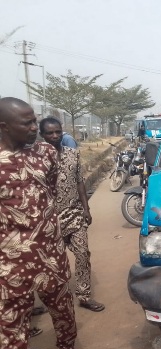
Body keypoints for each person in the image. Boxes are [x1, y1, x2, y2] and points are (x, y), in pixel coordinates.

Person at [0, 97, 77, 349]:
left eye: (35, 121)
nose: (35, 127)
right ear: (4, 126)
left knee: (64, 314)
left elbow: (50, 187)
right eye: (27, 123)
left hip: (51, 253)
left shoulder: (45, 153)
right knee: (12, 328)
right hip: (11, 264)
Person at [39, 117, 105, 312]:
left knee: (83, 254)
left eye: (58, 132)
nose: (54, 136)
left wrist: (86, 209)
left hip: (74, 212)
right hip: (49, 219)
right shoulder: (36, 159)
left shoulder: (72, 154)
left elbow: (79, 182)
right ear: (42, 136)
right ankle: (56, 300)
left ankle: (84, 296)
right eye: (50, 133)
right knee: (53, 263)